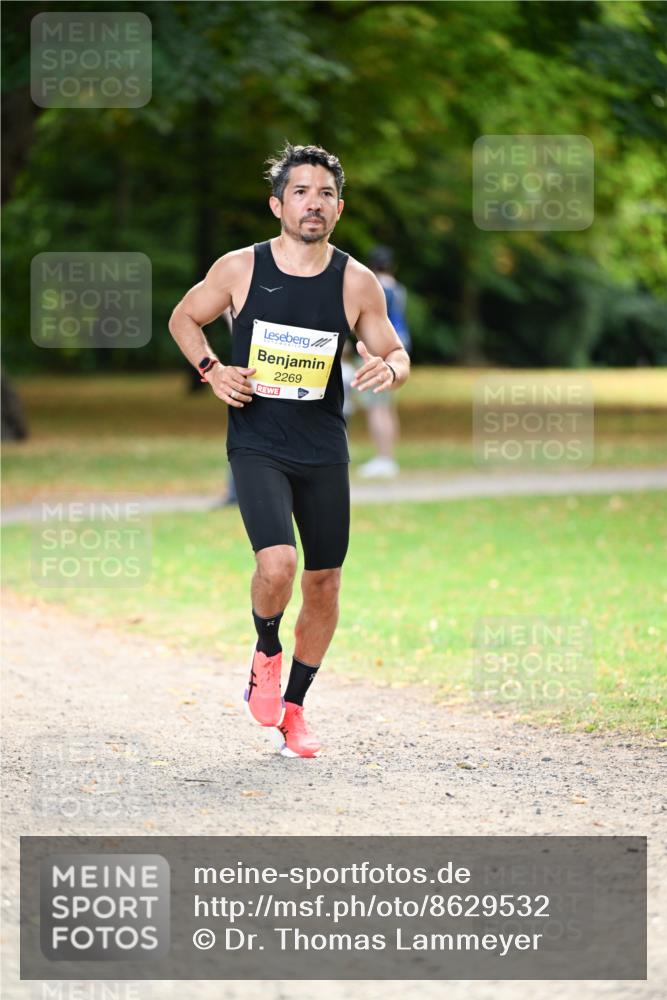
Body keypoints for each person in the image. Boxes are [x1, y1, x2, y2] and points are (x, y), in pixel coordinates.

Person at [168, 143, 410, 758]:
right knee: (278, 565)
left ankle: (295, 710)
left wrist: (395, 367)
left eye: (325, 194)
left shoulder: (356, 281)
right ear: (278, 203)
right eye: (301, 192)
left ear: (339, 207)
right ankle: (266, 648)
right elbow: (183, 318)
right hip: (258, 439)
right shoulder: (239, 268)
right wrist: (211, 369)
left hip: (323, 444)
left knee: (325, 580)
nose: (314, 203)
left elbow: (391, 347)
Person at [357, 246, 411, 478]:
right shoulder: (398, 288)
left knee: (377, 406)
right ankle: (387, 456)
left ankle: (384, 458)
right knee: (387, 406)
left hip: (380, 349)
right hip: (400, 347)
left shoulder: (376, 287)